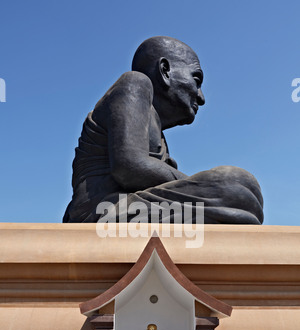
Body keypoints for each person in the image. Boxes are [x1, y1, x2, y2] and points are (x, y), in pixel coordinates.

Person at [63, 36, 263, 225]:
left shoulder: (158, 132)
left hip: (132, 206)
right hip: (101, 212)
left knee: (242, 190)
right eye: (197, 80)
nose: (201, 97)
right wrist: (197, 185)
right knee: (234, 185)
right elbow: (129, 167)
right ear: (165, 71)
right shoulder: (135, 83)